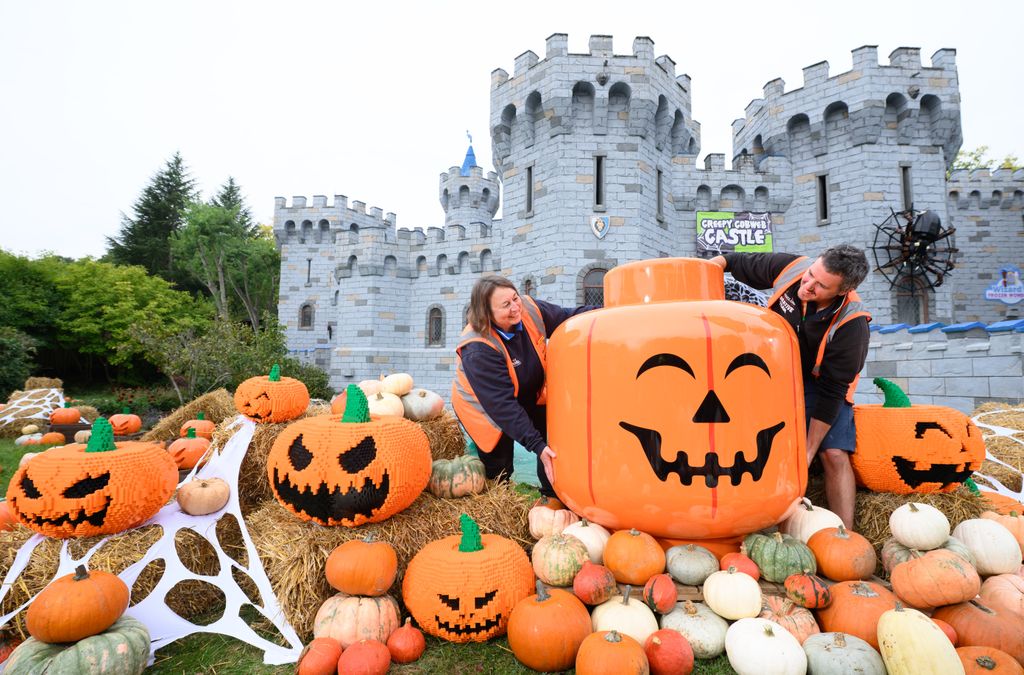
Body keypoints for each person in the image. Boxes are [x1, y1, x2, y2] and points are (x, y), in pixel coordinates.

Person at [709, 245, 871, 529]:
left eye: (820, 286)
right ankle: (757, 518)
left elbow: (832, 392)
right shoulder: (792, 267)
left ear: (843, 291)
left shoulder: (852, 325)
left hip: (822, 386)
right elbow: (732, 261)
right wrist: (701, 272)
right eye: (810, 275)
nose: (807, 286)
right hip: (777, 373)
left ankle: (845, 533)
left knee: (832, 453)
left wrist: (808, 450)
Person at [451, 275, 595, 499]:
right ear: (486, 313)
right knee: (499, 466)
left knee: (552, 441)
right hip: (486, 408)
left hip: (529, 391)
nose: (515, 307)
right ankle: (499, 502)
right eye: (505, 305)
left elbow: (568, 317)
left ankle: (551, 497)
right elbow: (503, 407)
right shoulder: (478, 349)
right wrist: (535, 444)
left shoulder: (530, 310)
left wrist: (608, 311)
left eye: (515, 298)